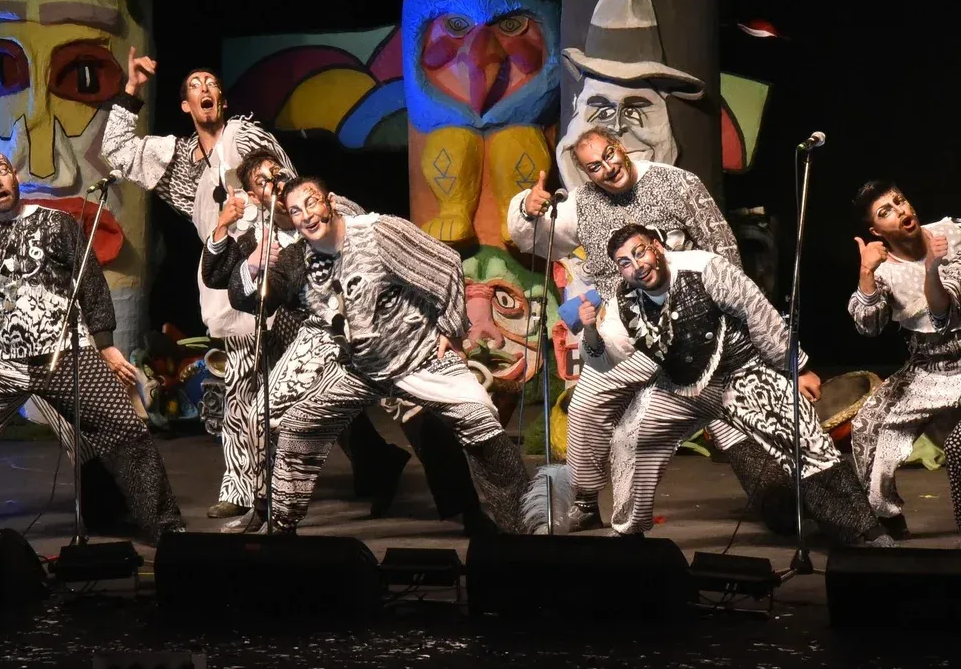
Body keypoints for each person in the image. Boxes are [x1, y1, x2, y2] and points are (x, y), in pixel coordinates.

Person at [101, 50, 406, 520]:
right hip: (233, 275)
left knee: (320, 378)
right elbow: (117, 150)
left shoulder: (245, 137)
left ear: (222, 99)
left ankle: (379, 458)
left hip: (282, 267)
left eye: (212, 83)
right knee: (244, 380)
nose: (206, 88)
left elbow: (287, 190)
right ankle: (246, 486)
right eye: (196, 84)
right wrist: (132, 88)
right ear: (185, 105)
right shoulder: (177, 158)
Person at [206, 155, 494, 534]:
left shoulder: (332, 206)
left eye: (277, 173)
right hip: (319, 334)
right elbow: (225, 282)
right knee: (262, 413)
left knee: (419, 411)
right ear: (255, 196)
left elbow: (371, 244)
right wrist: (253, 266)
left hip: (376, 327)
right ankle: (266, 510)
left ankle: (467, 509)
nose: (275, 184)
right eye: (263, 182)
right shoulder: (257, 238)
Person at [508, 125, 760, 530]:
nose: (607, 168)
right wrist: (527, 209)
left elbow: (723, 249)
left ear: (620, 147)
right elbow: (536, 241)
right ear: (586, 174)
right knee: (586, 406)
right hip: (624, 327)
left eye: (609, 154)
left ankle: (775, 491)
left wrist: (735, 320)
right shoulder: (583, 202)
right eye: (594, 166)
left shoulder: (677, 183)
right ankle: (585, 503)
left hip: (691, 321)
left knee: (729, 409)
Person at [576, 224, 892, 545]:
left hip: (741, 374)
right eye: (625, 262)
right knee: (630, 438)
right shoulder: (625, 300)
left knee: (804, 437)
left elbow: (758, 312)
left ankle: (864, 531)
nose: (637, 265)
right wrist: (590, 331)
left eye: (640, 252)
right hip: (681, 388)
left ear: (657, 247)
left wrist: (797, 367)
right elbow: (606, 358)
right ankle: (629, 533)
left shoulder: (704, 267)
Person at [0, 151, 184, 544]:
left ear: (14, 176)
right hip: (4, 364)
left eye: (2, 170)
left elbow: (90, 283)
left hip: (68, 354)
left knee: (127, 431)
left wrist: (105, 344)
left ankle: (168, 530)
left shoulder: (55, 223)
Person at [848, 181, 961, 538]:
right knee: (870, 425)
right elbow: (868, 328)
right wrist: (866, 274)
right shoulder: (883, 271)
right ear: (876, 231)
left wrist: (933, 267)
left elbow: (943, 313)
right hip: (929, 367)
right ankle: (887, 517)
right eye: (886, 212)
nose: (900, 211)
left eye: (899, 202)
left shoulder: (951, 234)